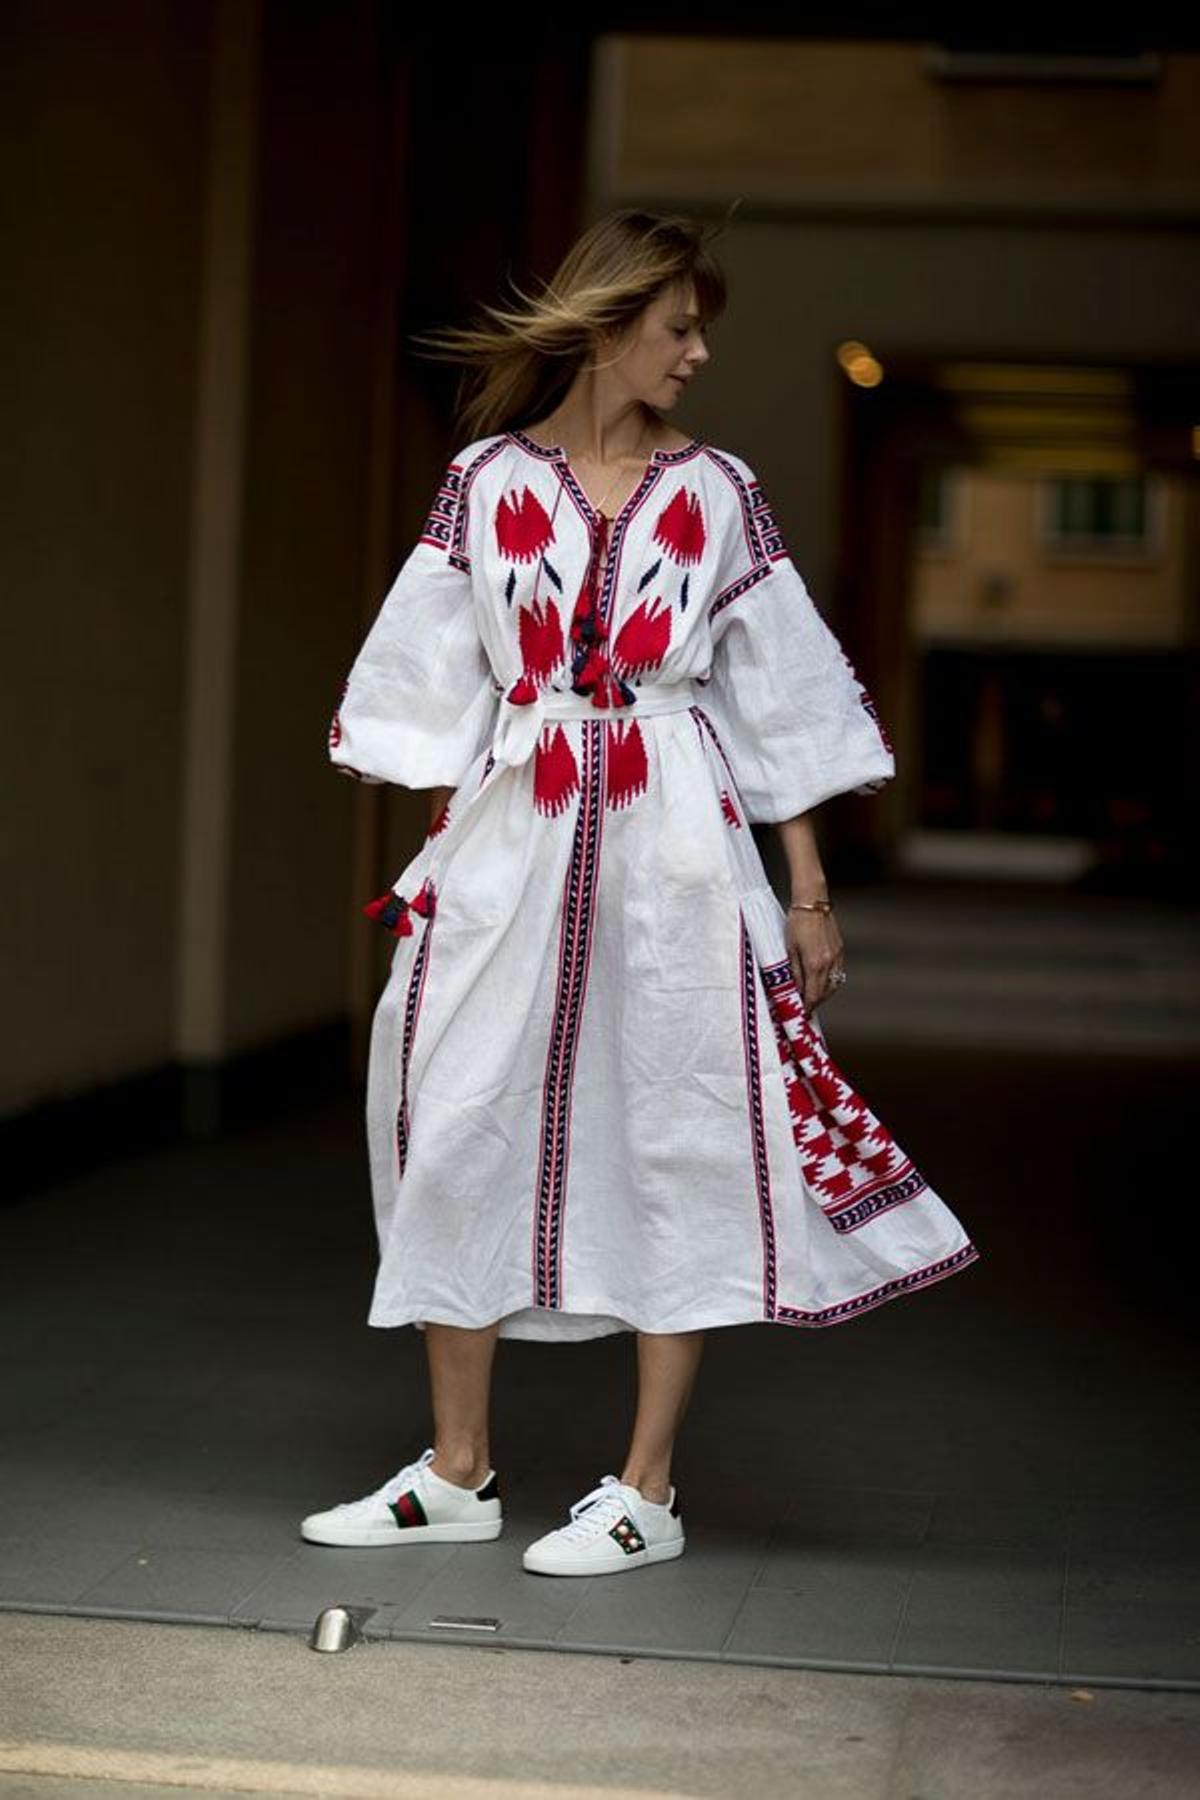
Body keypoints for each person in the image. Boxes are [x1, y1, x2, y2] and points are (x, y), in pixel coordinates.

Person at [301, 208, 980, 1578]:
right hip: (517, 835)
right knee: (456, 1118)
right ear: (608, 326)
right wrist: (448, 845)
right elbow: (424, 683)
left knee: (684, 1128)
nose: (698, 352)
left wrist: (807, 890)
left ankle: (645, 1488)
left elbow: (774, 699)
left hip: (679, 841)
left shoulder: (720, 494)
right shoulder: (487, 484)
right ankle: (456, 1473)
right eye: (677, 327)